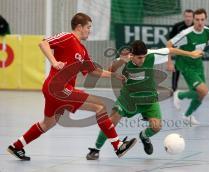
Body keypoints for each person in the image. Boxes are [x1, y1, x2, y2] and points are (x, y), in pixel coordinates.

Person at [7, 12, 137, 161]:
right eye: (88, 27)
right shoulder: (67, 37)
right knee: (100, 106)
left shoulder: (82, 50)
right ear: (79, 27)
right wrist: (54, 62)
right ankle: (118, 146)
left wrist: (114, 75)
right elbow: (43, 43)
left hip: (56, 90)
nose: (90, 30)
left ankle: (17, 146)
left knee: (48, 123)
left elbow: (93, 71)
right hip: (58, 87)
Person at [86, 40, 204, 160]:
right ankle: (96, 149)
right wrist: (121, 60)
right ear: (132, 55)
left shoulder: (152, 55)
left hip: (149, 98)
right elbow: (110, 70)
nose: (142, 60)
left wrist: (191, 54)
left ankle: (144, 136)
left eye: (143, 57)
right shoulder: (125, 59)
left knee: (156, 127)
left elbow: (171, 50)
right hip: (129, 98)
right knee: (112, 121)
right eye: (139, 58)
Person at [167, 8, 209, 125]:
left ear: (205, 20)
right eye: (197, 19)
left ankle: (187, 116)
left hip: (198, 65)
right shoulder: (186, 33)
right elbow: (169, 44)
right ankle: (179, 94)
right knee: (204, 90)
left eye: (202, 19)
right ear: (193, 20)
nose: (200, 22)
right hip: (185, 65)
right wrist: (169, 62)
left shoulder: (208, 32)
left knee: (202, 94)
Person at [167, 9, 194, 92]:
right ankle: (174, 89)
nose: (188, 18)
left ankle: (194, 89)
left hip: (191, 53)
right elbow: (169, 39)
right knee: (177, 68)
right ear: (184, 17)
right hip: (180, 52)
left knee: (192, 71)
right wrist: (175, 47)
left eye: (190, 16)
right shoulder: (178, 26)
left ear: (193, 17)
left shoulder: (196, 27)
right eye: (186, 16)